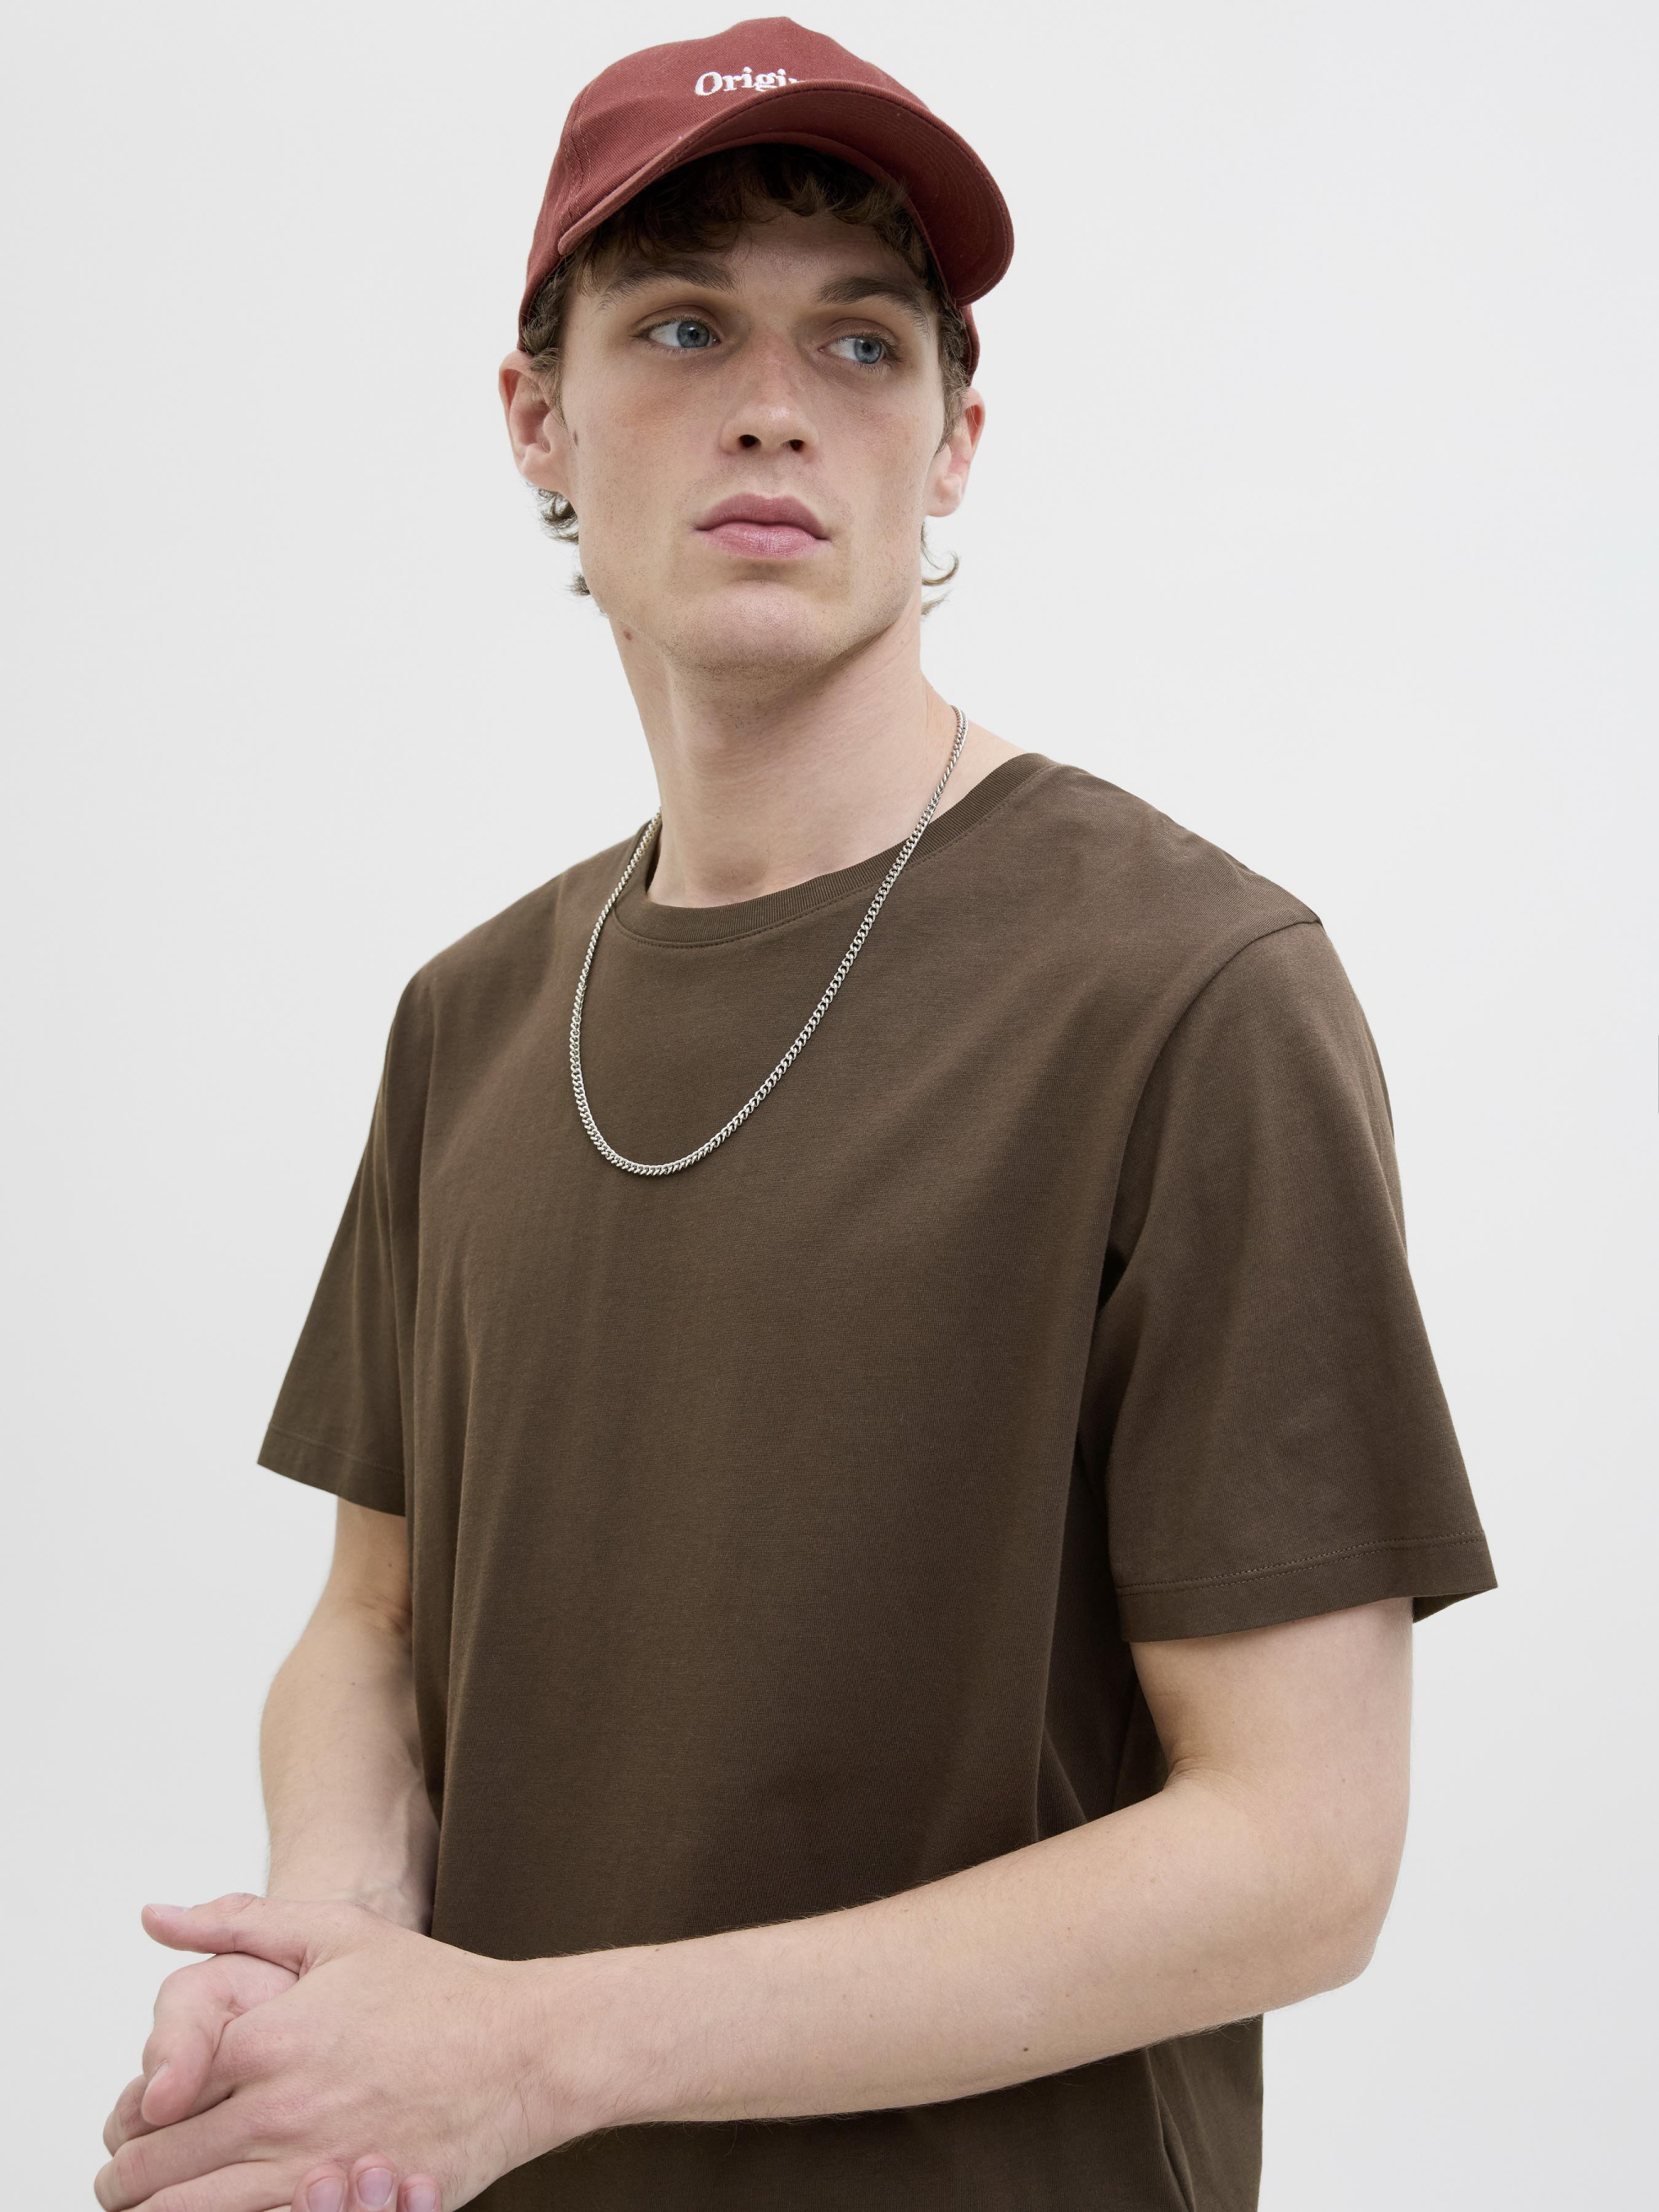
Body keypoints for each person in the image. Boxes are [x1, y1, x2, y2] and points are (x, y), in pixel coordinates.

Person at [96, 18, 1498, 2212]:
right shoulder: (469, 1018)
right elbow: (371, 1623)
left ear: (953, 443)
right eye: (682, 327)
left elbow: (1300, 1853)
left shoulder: (1188, 992)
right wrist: (332, 1964)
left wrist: (527, 2049)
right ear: (537, 416)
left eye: (860, 342)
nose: (775, 403)